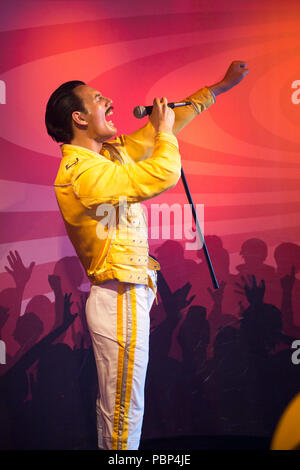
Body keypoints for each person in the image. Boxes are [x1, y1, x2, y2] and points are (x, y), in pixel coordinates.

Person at [45, 60, 249, 450]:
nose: (108, 100)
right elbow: (159, 174)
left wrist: (219, 87)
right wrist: (166, 134)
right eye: (96, 99)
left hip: (127, 294)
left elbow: (165, 123)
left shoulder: (108, 154)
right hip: (118, 293)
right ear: (79, 118)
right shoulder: (80, 171)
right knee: (123, 408)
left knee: (122, 404)